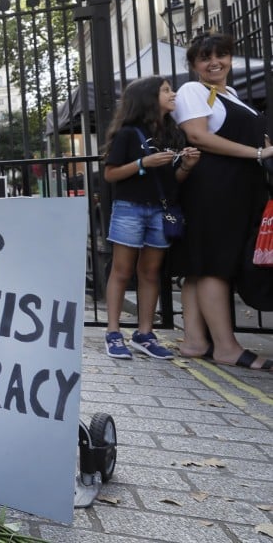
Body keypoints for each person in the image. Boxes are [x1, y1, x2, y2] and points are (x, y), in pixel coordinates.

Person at [172, 32, 273, 372]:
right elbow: (199, 136)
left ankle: (195, 341)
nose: (214, 61)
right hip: (214, 186)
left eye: (222, 54)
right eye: (205, 57)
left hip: (236, 187)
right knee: (214, 263)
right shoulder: (193, 91)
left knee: (200, 265)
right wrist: (258, 152)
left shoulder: (230, 94)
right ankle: (226, 347)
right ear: (194, 64)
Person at [101, 76, 199, 360]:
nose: (173, 94)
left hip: (161, 209)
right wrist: (143, 162)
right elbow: (110, 174)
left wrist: (188, 166)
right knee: (121, 270)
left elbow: (173, 180)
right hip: (130, 208)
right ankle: (113, 332)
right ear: (148, 98)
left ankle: (145, 333)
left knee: (151, 272)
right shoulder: (128, 134)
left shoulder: (172, 132)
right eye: (166, 90)